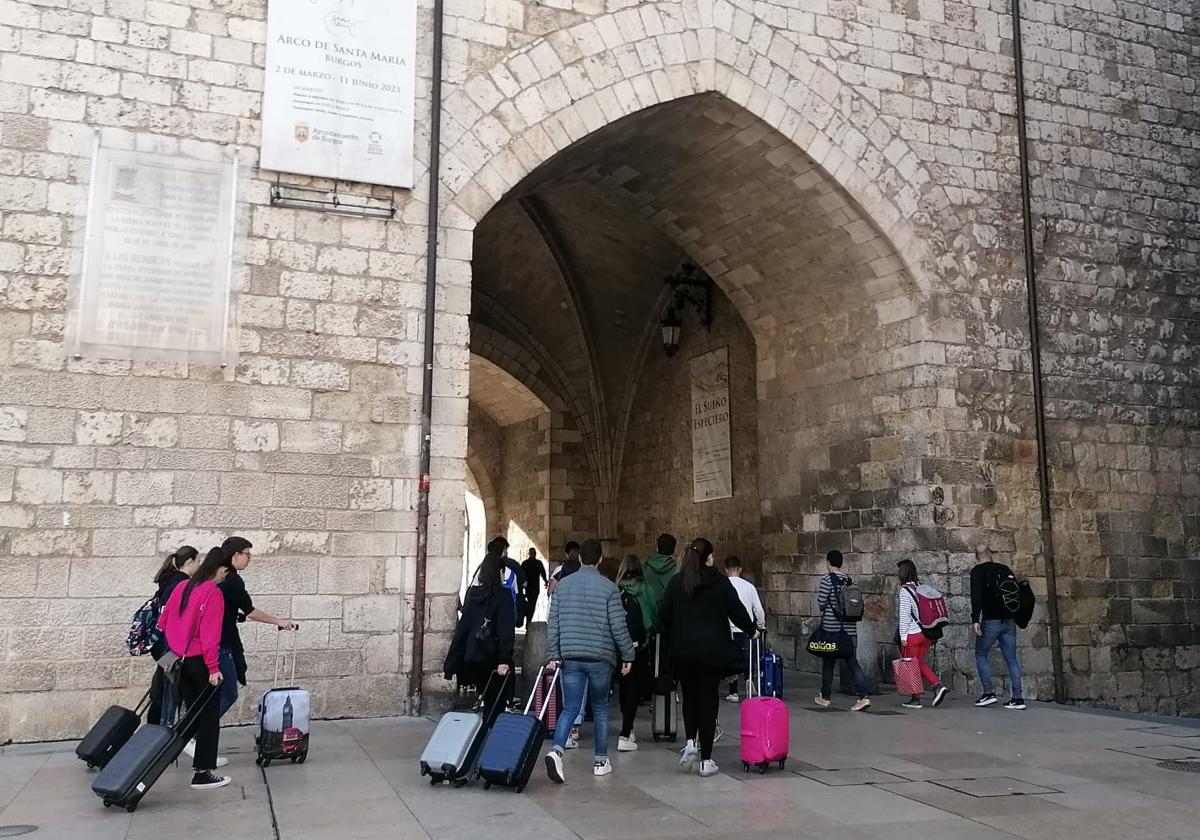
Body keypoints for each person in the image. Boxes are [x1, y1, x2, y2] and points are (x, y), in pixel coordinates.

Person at [658, 537, 756, 778]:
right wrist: (752, 630)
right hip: (711, 652)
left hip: (682, 652)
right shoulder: (720, 583)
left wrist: (677, 630)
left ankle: (691, 742)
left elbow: (663, 614)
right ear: (710, 557)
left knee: (689, 697)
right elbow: (737, 611)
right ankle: (706, 759)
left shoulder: (677, 582)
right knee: (708, 700)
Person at [544, 539, 635, 783]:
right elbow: (618, 625)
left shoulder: (562, 586)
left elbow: (554, 623)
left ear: (580, 559)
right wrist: (628, 654)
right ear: (600, 560)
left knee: (570, 708)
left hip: (571, 655)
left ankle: (556, 751)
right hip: (600, 657)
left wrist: (554, 654)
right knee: (601, 708)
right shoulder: (609, 588)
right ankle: (600, 761)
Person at [157, 547, 230, 790]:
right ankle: (203, 772)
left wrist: (179, 644)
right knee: (208, 716)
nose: (223, 578)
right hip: (200, 661)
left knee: (191, 714)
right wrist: (213, 668)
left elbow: (163, 621)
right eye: (224, 573)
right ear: (220, 569)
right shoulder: (213, 593)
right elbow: (210, 636)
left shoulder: (182, 587)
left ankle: (164, 754)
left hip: (179, 660)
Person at [216, 536, 298, 722]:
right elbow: (251, 611)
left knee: (215, 693)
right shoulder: (232, 579)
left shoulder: (216, 575)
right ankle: (198, 733)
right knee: (229, 694)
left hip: (213, 640)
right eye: (247, 554)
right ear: (235, 555)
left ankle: (199, 736)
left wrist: (238, 616)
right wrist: (279, 621)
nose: (249, 558)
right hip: (222, 643)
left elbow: (224, 608)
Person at [444, 552, 518, 715]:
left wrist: (451, 663)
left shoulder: (473, 595)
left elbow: (463, 628)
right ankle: (489, 735)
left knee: (485, 696)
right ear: (499, 572)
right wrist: (505, 658)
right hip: (492, 658)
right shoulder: (503, 596)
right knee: (496, 703)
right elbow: (505, 629)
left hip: (473, 657)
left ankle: (484, 733)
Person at [147, 546, 200, 727]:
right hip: (172, 646)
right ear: (189, 562)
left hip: (161, 645)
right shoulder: (182, 585)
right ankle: (163, 735)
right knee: (171, 691)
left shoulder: (167, 582)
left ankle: (154, 732)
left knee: (161, 690)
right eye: (197, 561)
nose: (199, 566)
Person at [815, 550, 870, 711]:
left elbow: (821, 603)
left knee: (828, 663)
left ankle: (825, 697)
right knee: (853, 663)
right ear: (841, 563)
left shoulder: (826, 580)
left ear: (828, 562)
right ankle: (863, 696)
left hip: (831, 630)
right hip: (850, 631)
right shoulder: (850, 581)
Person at [970, 545, 1025, 709]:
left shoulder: (978, 572)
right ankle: (1017, 698)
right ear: (990, 554)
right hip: (1009, 620)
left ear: (976, 556)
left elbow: (976, 597)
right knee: (1011, 659)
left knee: (981, 654)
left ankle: (988, 693)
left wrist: (975, 619)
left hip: (991, 621)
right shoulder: (1004, 569)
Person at [896, 559, 948, 709]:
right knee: (918, 663)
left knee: (912, 665)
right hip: (926, 633)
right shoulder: (921, 588)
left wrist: (903, 637)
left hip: (912, 634)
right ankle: (932, 689)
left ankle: (924, 694)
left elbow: (904, 615)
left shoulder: (905, 591)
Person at [615, 554, 653, 752]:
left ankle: (626, 727)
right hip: (637, 646)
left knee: (623, 687)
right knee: (633, 688)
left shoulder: (615, 589)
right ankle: (626, 731)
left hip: (616, 646)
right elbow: (651, 618)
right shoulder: (645, 589)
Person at [723, 556, 766, 701]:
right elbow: (758, 609)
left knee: (731, 660)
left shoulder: (723, 585)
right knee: (749, 657)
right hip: (746, 629)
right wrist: (761, 626)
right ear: (740, 569)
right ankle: (748, 679)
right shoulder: (749, 587)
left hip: (728, 630)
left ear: (726, 570)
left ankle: (733, 691)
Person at [521, 546, 548, 622]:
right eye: (531, 553)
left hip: (535, 588)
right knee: (529, 605)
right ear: (529, 554)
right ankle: (528, 620)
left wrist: (545, 581)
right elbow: (521, 574)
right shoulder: (525, 563)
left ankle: (528, 621)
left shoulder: (538, 563)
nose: (533, 554)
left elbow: (543, 572)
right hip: (527, 587)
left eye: (534, 553)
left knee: (532, 605)